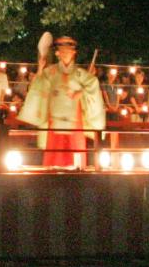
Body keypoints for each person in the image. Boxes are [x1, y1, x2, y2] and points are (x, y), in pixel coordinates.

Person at [18, 35, 104, 168]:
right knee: (54, 155)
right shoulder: (50, 72)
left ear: (74, 52)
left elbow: (93, 84)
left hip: (74, 120)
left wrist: (80, 92)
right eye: (62, 51)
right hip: (55, 119)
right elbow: (38, 85)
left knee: (75, 158)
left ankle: (77, 174)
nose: (65, 53)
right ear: (57, 53)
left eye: (68, 50)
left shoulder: (80, 73)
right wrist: (40, 68)